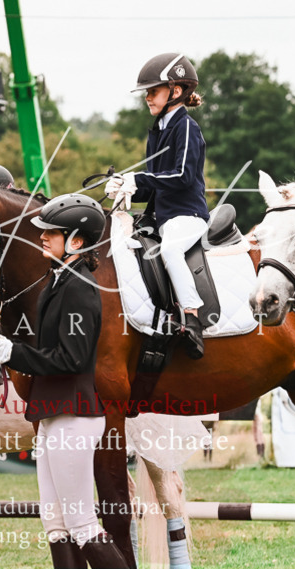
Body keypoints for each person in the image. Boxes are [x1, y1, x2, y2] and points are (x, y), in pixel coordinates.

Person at [0, 194, 152, 569]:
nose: (41, 237)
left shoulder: (80, 288)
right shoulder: (59, 281)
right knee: (55, 520)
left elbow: (72, 356)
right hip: (53, 415)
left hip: (76, 416)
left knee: (81, 522)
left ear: (76, 240)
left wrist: (15, 352)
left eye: (51, 233)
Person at [105, 53, 210, 359]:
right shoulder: (158, 130)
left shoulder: (187, 128)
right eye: (147, 93)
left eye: (153, 91)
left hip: (188, 215)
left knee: (170, 250)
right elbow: (154, 185)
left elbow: (182, 175)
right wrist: (125, 189)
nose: (147, 98)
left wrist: (137, 178)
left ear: (175, 91)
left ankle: (191, 318)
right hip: (162, 216)